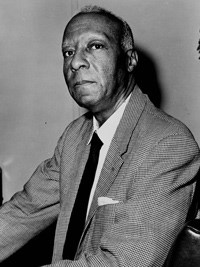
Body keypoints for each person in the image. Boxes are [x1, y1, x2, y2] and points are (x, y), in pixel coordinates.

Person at [0, 5, 200, 267]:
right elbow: (24, 212)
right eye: (68, 52)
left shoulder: (168, 144)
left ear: (129, 60)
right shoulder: (75, 136)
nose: (75, 62)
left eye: (95, 46)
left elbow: (123, 262)